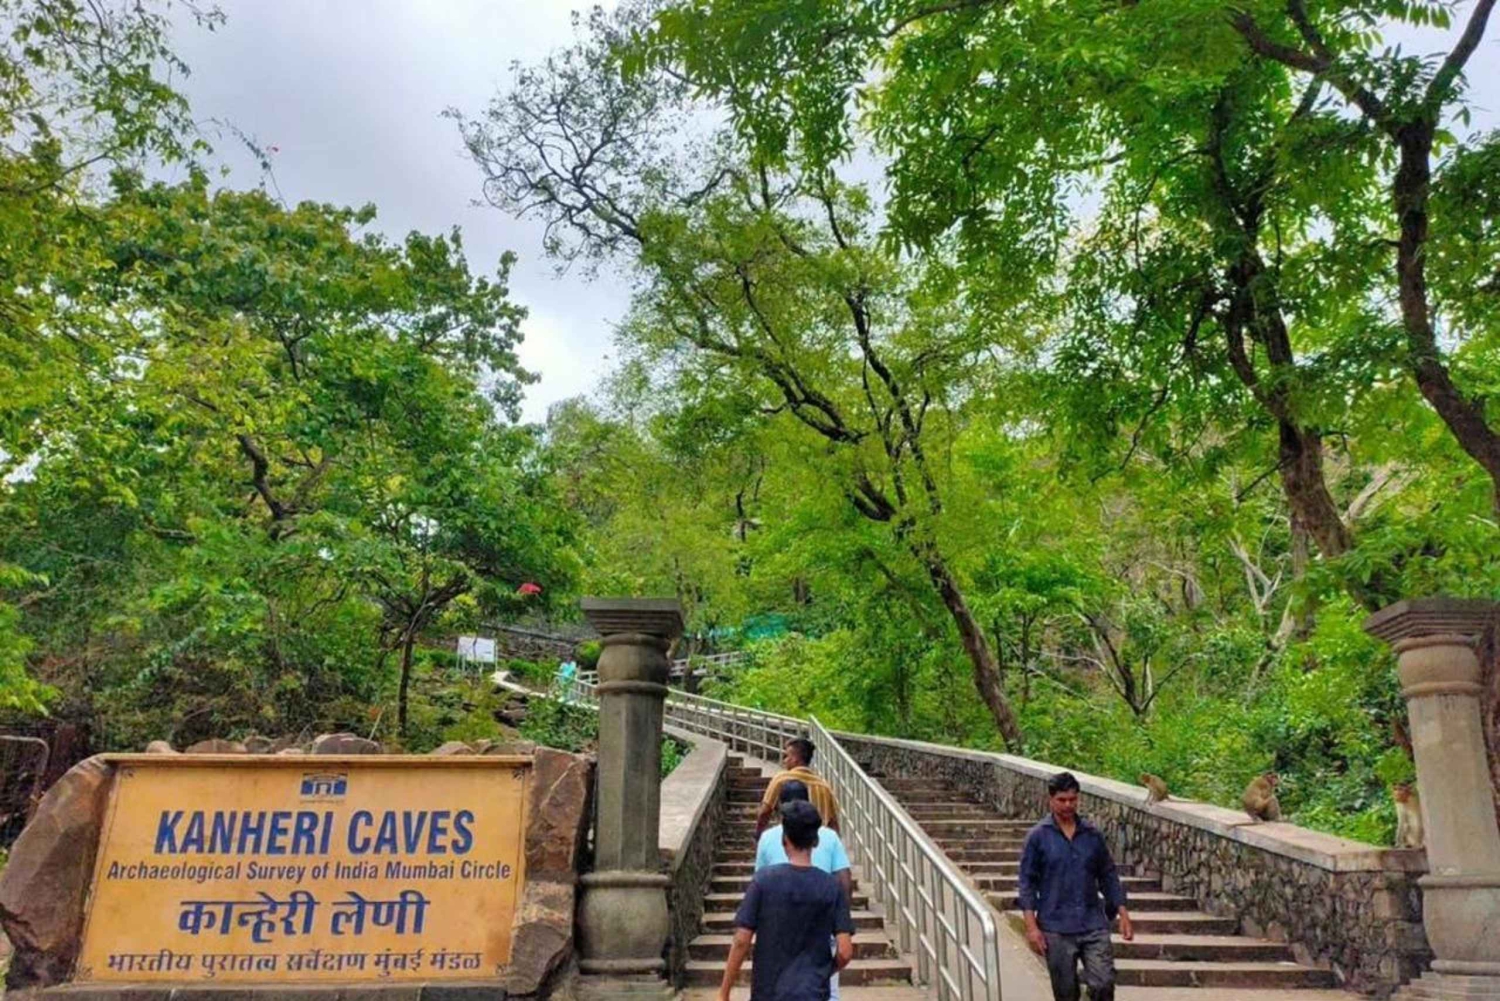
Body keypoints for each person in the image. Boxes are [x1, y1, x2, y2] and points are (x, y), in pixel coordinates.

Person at [719, 800, 854, 1001]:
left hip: (768, 993)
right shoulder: (831, 887)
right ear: (815, 841)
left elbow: (741, 941)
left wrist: (724, 992)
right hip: (813, 993)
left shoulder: (763, 881)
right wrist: (823, 973)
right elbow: (844, 951)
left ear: (784, 840)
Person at [1018, 771, 1133, 1001]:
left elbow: (1108, 874)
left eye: (1072, 799)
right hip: (1056, 927)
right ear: (1051, 800)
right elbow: (1027, 884)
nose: (1068, 805)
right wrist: (1032, 928)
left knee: (1103, 982)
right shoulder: (1038, 837)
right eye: (1062, 800)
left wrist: (1122, 912)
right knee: (1066, 992)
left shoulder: (1092, 835)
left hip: (1092, 923)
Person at [755, 781, 852, 1001]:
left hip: (778, 927)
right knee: (829, 993)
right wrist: (842, 918)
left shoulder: (768, 838)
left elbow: (759, 881)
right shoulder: (829, 836)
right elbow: (844, 879)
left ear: (780, 807)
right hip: (822, 921)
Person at [757, 738, 840, 836]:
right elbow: (833, 823)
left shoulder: (781, 779)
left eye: (787, 756)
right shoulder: (824, 786)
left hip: (789, 841)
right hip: (818, 843)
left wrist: (759, 835)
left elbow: (765, 812)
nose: (784, 760)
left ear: (795, 759)